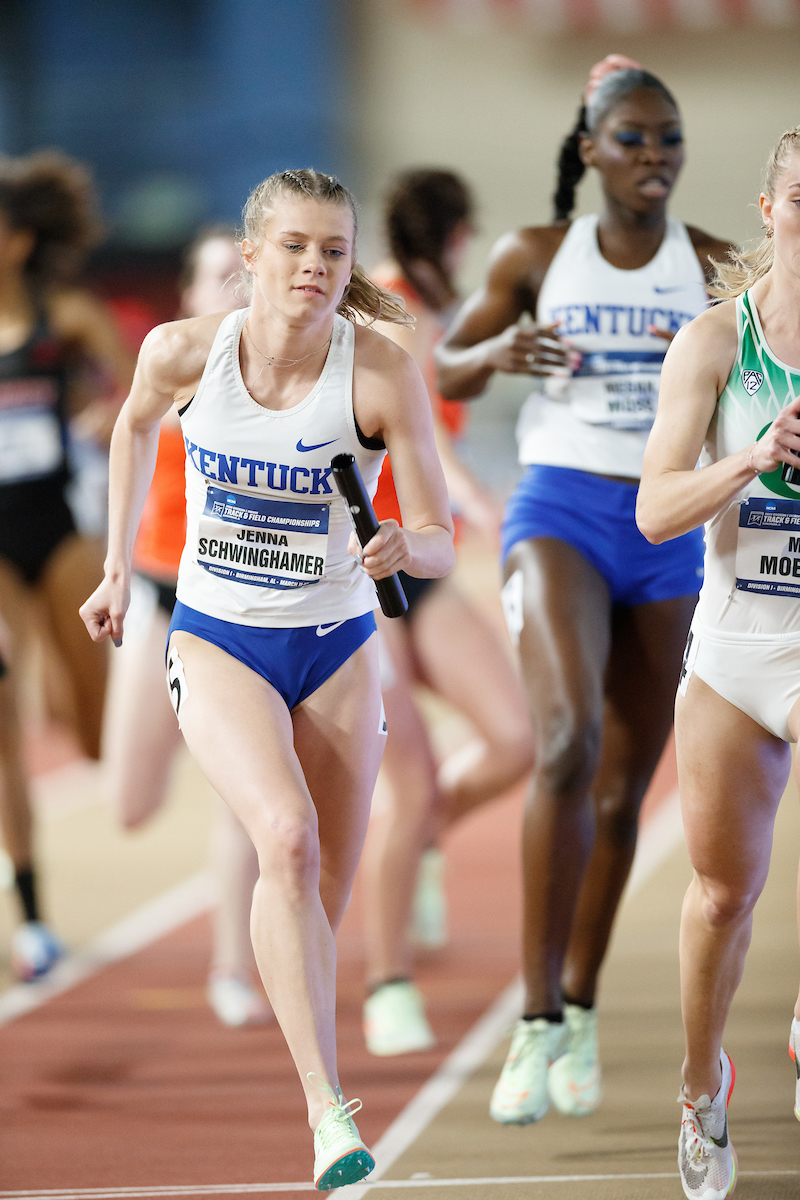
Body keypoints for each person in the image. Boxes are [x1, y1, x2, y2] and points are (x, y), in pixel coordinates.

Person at [80, 168, 454, 1190]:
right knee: (282, 842)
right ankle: (327, 1111)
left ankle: (312, 1014)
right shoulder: (182, 351)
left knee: (319, 891)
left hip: (335, 644)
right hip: (217, 637)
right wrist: (119, 566)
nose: (315, 267)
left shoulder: (377, 371)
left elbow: (440, 541)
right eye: (294, 247)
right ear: (249, 258)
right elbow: (129, 427)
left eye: (333, 250)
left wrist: (400, 552)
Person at [435, 57, 732, 1124]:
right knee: (561, 742)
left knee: (621, 787)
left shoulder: (705, 268)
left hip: (665, 529)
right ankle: (529, 1022)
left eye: (668, 138)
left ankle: (578, 1001)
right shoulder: (534, 253)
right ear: (589, 150)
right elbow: (444, 368)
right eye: (633, 138)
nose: (653, 157)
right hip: (557, 508)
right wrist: (497, 347)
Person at [637, 124, 800, 1200]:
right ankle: (701, 1082)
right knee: (716, 898)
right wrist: (750, 455)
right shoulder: (712, 344)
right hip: (736, 648)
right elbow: (653, 510)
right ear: (766, 210)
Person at [360, 168, 534, 1056]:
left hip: (421, 561)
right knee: (412, 778)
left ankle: (418, 842)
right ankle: (387, 979)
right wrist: (477, 498)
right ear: (457, 234)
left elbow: (442, 438)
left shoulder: (443, 312)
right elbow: (405, 430)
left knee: (516, 739)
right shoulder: (383, 311)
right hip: (358, 564)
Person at [106, 226, 273, 1027]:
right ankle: (177, 733)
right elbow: (127, 434)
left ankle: (234, 965)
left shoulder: (279, 371)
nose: (235, 290)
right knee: (129, 805)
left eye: (243, 275)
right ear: (188, 293)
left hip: (235, 610)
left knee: (244, 799)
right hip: (158, 591)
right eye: (218, 277)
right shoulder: (168, 361)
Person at [0, 151, 133, 980]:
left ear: (16, 241)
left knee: (91, 733)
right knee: (3, 712)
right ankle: (34, 918)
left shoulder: (68, 319)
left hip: (59, 532)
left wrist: (98, 415)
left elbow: (136, 397)